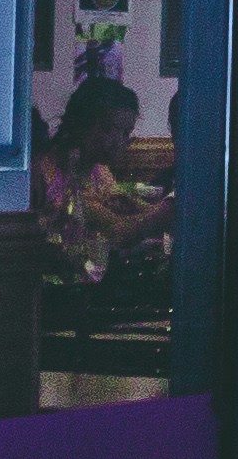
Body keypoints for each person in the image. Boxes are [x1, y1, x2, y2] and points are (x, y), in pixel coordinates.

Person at [34, 78, 173, 346]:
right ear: (80, 124)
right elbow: (117, 231)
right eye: (109, 129)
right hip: (51, 297)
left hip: (88, 294)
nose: (118, 141)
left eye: (125, 133)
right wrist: (167, 212)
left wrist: (140, 210)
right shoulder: (46, 172)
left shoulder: (101, 173)